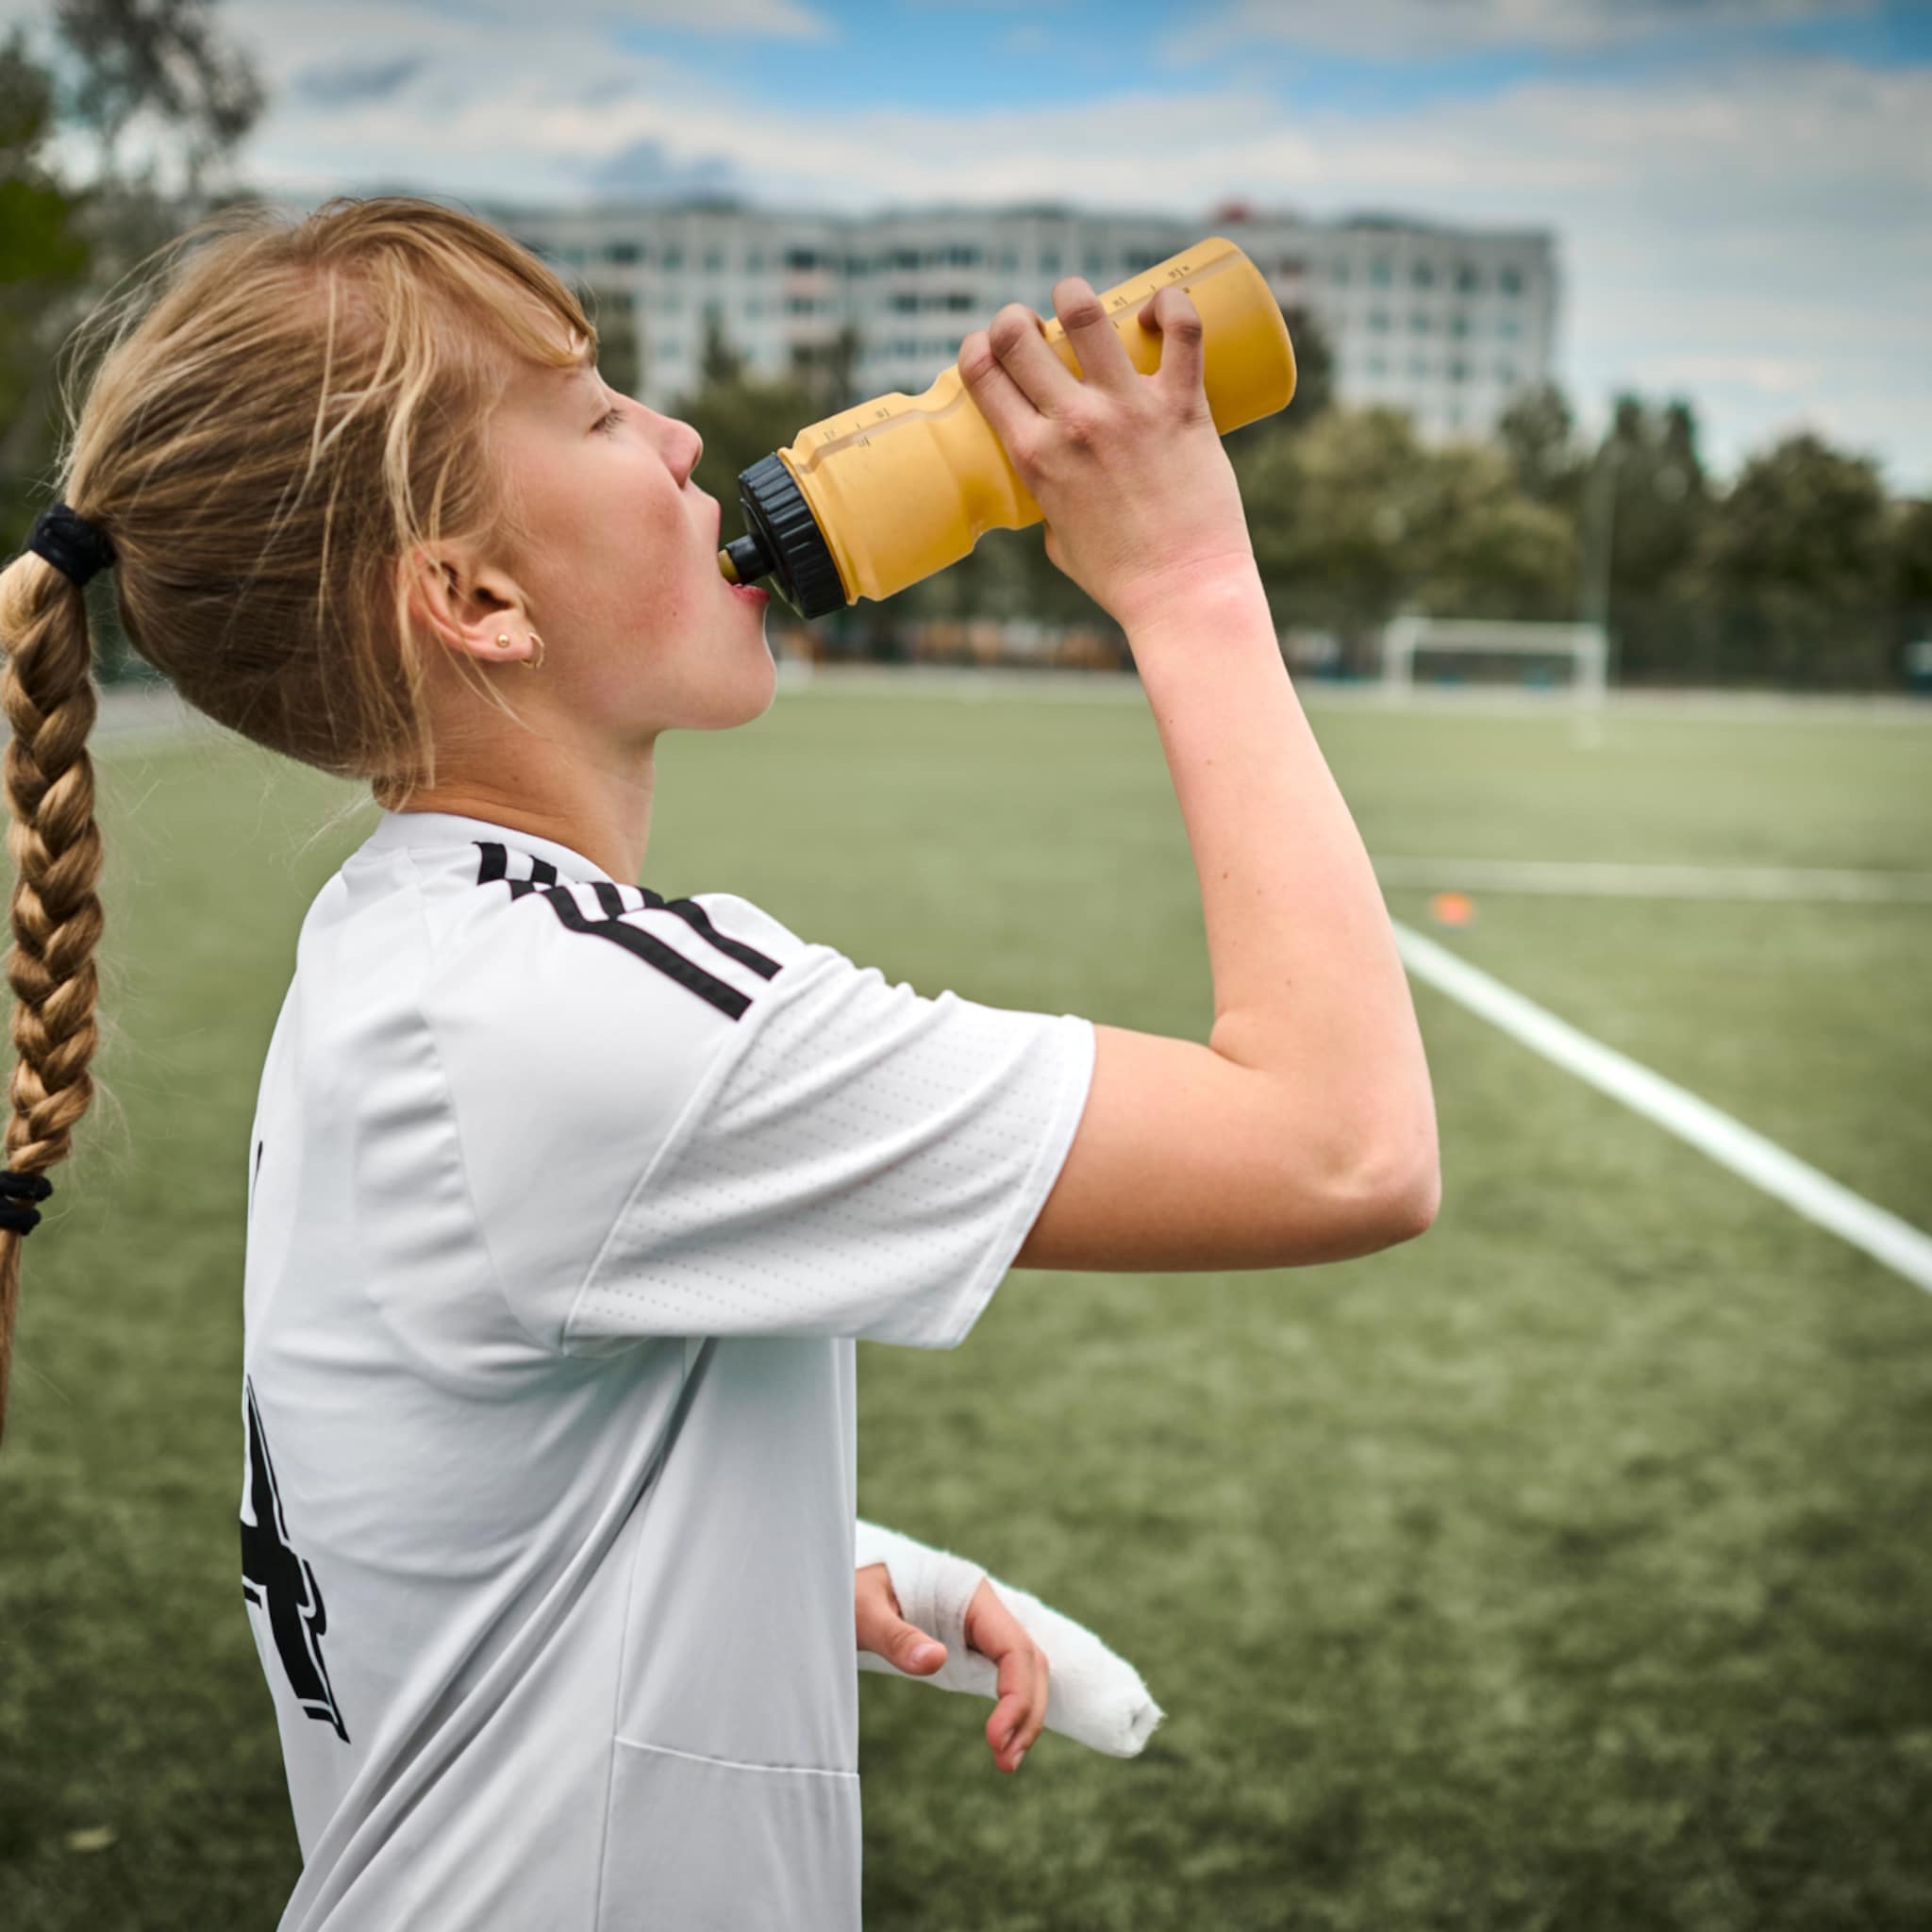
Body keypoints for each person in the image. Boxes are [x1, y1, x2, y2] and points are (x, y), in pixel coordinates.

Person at [0, 195, 1440, 1929]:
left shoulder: (414, 952)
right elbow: (1345, 1147)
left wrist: (795, 1567)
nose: (685, 440)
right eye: (601, 415)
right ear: (472, 596)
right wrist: (1192, 582)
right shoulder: (579, 1022)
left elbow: (424, 1473)